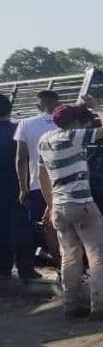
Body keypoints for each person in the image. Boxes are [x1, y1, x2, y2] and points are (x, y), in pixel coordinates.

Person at [36, 95, 103, 318]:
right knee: (96, 255)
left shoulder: (44, 139)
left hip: (59, 206)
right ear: (73, 123)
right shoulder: (74, 136)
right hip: (81, 204)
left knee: (70, 256)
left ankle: (71, 304)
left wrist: (50, 204)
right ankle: (99, 305)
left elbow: (42, 176)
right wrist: (96, 106)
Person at [15, 89, 61, 266]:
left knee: (43, 228)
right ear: (57, 103)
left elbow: (21, 159)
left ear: (38, 105)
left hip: (38, 186)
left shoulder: (26, 124)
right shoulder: (65, 123)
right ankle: (71, 267)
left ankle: (54, 264)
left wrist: (23, 188)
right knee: (67, 229)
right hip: (64, 186)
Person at [0, 94, 38, 280]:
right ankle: (26, 269)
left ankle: (3, 269)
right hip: (20, 187)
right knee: (23, 228)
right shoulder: (20, 129)